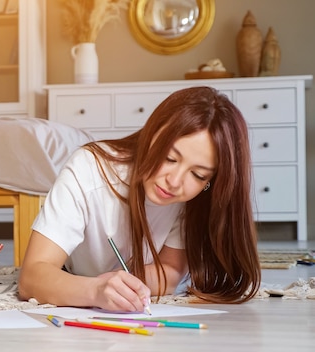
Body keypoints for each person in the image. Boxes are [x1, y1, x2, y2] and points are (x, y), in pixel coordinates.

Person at [18, 86, 261, 313]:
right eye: (169, 158)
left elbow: (171, 271)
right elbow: (31, 278)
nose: (175, 181)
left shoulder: (197, 198)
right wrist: (95, 291)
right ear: (152, 134)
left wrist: (124, 284)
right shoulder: (89, 168)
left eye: (198, 175)